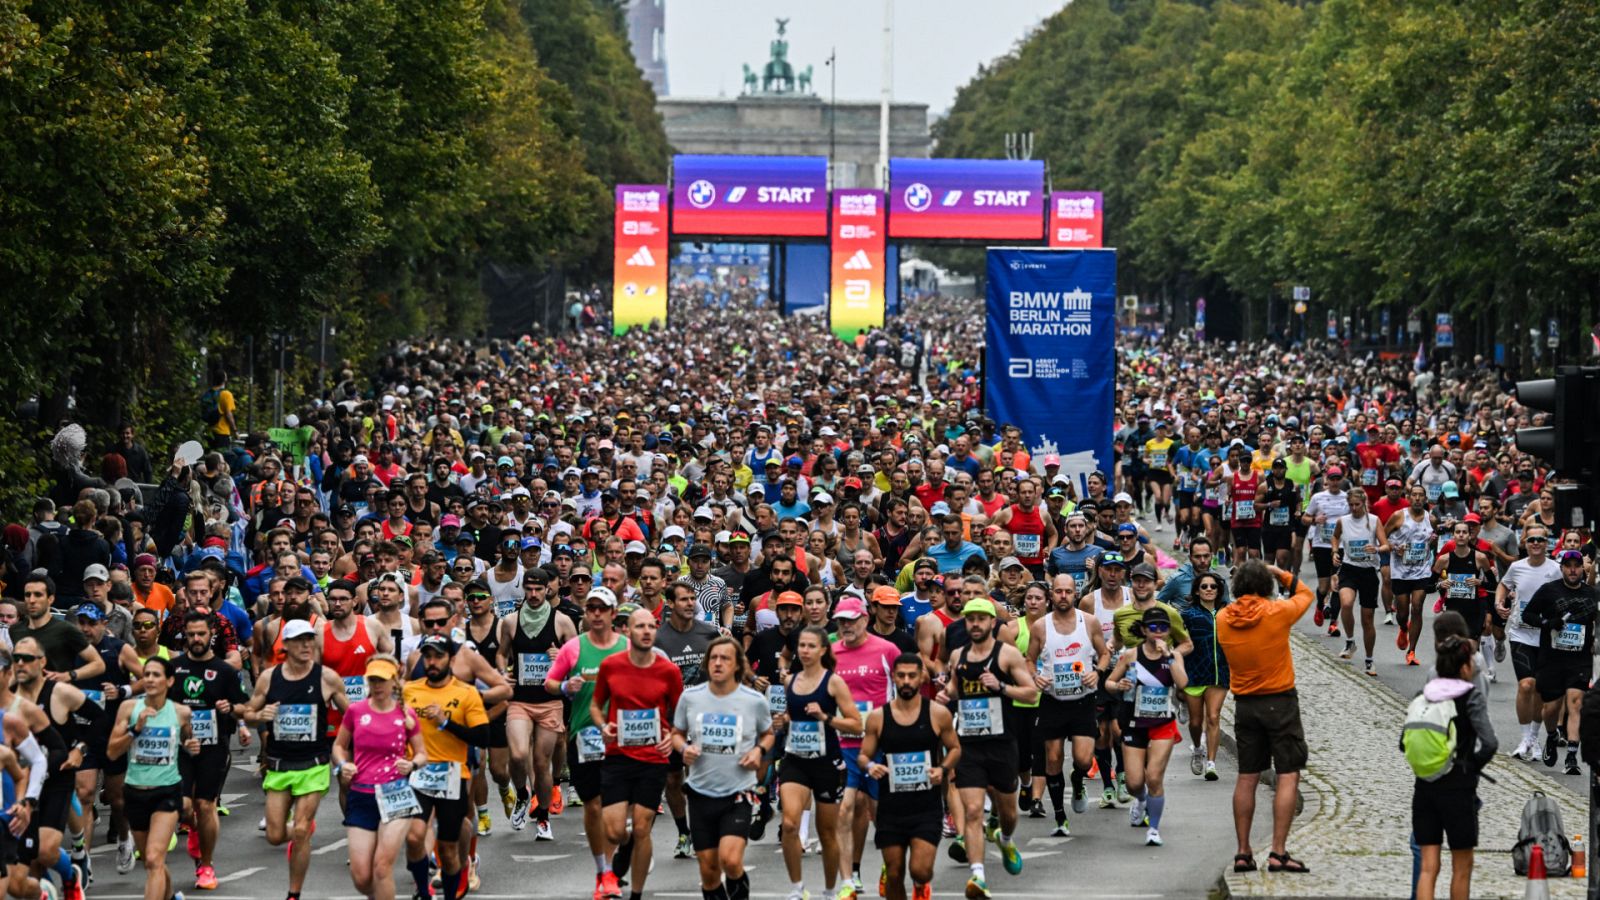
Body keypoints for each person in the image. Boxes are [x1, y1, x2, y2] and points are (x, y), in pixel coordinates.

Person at [239, 618, 351, 900]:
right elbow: (248, 714)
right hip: (279, 766)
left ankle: (293, 894)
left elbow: (351, 717)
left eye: (309, 639)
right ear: (285, 645)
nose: (306, 645)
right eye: (299, 640)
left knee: (300, 832)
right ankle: (300, 829)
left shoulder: (327, 677)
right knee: (275, 835)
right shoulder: (269, 678)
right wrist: (259, 716)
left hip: (314, 766)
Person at [1217, 560, 1314, 875]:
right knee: (1288, 773)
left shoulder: (1222, 618)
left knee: (1247, 776)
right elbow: (1306, 593)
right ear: (1266, 585)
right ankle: (1278, 852)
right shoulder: (1277, 612)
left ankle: (1243, 852)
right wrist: (1279, 572)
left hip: (1245, 705)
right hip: (1280, 702)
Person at [942, 597, 1036, 898]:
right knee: (972, 811)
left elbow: (1031, 693)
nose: (975, 624)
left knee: (1008, 813)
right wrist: (946, 695)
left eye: (981, 619)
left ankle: (1005, 840)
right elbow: (954, 688)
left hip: (1001, 743)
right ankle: (978, 876)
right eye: (970, 619)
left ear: (992, 622)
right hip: (968, 744)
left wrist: (1001, 687)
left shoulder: (1006, 654)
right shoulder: (958, 655)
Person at [591, 607, 684, 900]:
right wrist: (603, 725)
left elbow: (682, 712)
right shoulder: (611, 666)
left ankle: (636, 894)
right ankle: (625, 843)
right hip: (617, 756)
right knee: (614, 831)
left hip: (653, 759)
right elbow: (596, 705)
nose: (646, 631)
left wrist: (672, 736)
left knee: (643, 827)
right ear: (627, 631)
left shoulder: (668, 670)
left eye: (651, 626)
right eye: (640, 626)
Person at [670, 637, 773, 900]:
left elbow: (768, 734)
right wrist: (684, 749)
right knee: (709, 870)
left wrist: (758, 751)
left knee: (731, 860)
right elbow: (676, 733)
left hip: (738, 793)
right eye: (713, 658)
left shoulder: (753, 701)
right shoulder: (690, 697)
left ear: (737, 665)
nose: (718, 663)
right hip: (700, 793)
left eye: (725, 658)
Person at [545, 586, 629, 900]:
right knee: (594, 807)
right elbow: (550, 682)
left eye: (601, 608)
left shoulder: (626, 647)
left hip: (623, 737)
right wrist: (566, 686)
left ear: (612, 613)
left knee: (616, 814)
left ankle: (619, 851)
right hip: (585, 735)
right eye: (591, 608)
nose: (595, 613)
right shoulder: (574, 648)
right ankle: (603, 872)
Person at [858, 653, 960, 900]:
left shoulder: (937, 713)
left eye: (912, 676)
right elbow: (863, 756)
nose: (906, 681)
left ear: (921, 677)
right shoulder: (878, 717)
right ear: (893, 677)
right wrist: (870, 766)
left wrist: (943, 769)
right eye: (901, 676)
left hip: (926, 807)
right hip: (891, 808)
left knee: (920, 870)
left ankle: (921, 885)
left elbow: (955, 749)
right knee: (893, 874)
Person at [1407, 635, 1495, 900]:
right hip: (1458, 788)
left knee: (1428, 867)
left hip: (1425, 785)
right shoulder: (1470, 696)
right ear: (1465, 667)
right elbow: (1490, 743)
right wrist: (1471, 766)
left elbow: (1405, 741)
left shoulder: (1424, 695)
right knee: (1462, 868)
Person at [775, 625, 861, 900]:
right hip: (795, 760)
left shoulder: (833, 682)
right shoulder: (790, 681)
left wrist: (825, 717)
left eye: (811, 646)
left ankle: (829, 890)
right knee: (790, 824)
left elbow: (856, 724)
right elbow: (791, 715)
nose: (805, 650)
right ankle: (797, 888)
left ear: (823, 650)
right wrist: (783, 721)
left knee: (827, 832)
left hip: (826, 763)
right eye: (802, 645)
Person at [401, 633, 488, 900]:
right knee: (414, 837)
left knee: (448, 851)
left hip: (452, 776)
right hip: (417, 774)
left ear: (450, 659)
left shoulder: (466, 693)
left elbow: (482, 736)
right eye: (427, 656)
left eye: (438, 656)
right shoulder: (409, 690)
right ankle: (423, 892)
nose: (432, 662)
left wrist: (445, 722)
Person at [106, 656, 201, 900]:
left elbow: (187, 739)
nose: (149, 679)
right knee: (153, 864)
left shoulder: (181, 712)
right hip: (135, 792)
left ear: (169, 681)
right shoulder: (129, 709)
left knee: (153, 858)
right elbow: (112, 751)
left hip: (166, 791)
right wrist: (135, 729)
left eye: (156, 675)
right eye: (146, 674)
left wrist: (191, 745)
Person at [169, 611, 251, 890]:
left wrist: (232, 709)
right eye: (191, 634)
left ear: (211, 634)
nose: (196, 639)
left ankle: (206, 865)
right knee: (183, 808)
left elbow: (244, 707)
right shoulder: (174, 668)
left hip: (213, 747)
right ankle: (194, 827)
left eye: (201, 634)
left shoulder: (224, 671)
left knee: (206, 805)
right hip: (180, 748)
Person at [334, 654, 426, 900]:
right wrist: (343, 765)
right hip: (361, 795)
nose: (377, 685)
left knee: (382, 867)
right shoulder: (355, 711)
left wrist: (412, 764)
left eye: (382, 680)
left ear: (394, 681)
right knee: (362, 877)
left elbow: (422, 754)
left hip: (396, 793)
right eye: (372, 680)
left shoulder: (405, 715)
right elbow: (339, 746)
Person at [1025, 573, 1108, 837]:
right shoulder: (1041, 626)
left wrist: (1097, 672)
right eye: (1058, 591)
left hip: (1083, 700)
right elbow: (1029, 659)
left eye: (1068, 591)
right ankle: (1060, 817)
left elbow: (1105, 653)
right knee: (1052, 759)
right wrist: (1035, 676)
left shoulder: (1089, 622)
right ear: (1052, 594)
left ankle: (1077, 778)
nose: (1063, 596)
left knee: (1083, 759)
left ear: (1075, 594)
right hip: (1053, 701)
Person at [497, 567, 575, 841]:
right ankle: (521, 793)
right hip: (520, 699)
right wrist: (502, 673)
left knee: (542, 764)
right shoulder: (510, 621)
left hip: (550, 701)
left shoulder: (562, 621)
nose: (533, 594)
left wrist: (561, 656)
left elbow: (576, 658)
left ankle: (543, 817)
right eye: (528, 589)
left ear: (547, 589)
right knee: (518, 755)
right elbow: (501, 653)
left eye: (538, 589)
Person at [830, 597, 899, 896]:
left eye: (851, 620)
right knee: (846, 808)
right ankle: (850, 878)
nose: (846, 626)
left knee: (878, 811)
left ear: (865, 620)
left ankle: (888, 864)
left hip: (878, 744)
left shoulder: (887, 650)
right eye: (841, 621)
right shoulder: (830, 653)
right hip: (842, 743)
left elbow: (906, 686)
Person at [1104, 607, 1188, 846]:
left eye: (1163, 627)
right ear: (1144, 630)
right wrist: (1118, 685)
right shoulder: (1131, 655)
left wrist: (1168, 656)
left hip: (1163, 723)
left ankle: (1153, 829)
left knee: (1154, 777)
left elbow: (1183, 683)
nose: (1158, 631)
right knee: (1134, 783)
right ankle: (1141, 800)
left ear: (1169, 631)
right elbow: (1109, 683)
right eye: (1153, 627)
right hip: (1134, 723)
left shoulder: (1174, 656)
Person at [1522, 549, 1600, 775]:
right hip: (1552, 658)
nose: (1573, 570)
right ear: (1562, 568)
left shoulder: (1592, 594)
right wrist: (1547, 623)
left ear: (1582, 569)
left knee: (1576, 702)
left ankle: (1572, 757)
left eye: (1577, 566)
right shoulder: (1549, 590)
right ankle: (1552, 734)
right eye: (1569, 566)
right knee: (1551, 708)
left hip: (1580, 659)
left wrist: (1595, 640)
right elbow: (1527, 615)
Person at [1496, 525, 1562, 761]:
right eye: (1531, 539)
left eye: (1540, 539)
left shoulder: (1556, 569)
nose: (1535, 543)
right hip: (1521, 634)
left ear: (1546, 543)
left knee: (1540, 689)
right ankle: (1525, 739)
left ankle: (1534, 738)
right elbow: (1504, 584)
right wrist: (1499, 603)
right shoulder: (1517, 567)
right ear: (1524, 543)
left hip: (1546, 637)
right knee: (1526, 685)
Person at [1330, 486, 1389, 676]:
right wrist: (1334, 552)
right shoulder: (1343, 521)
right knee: (1346, 603)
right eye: (1351, 505)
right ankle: (1350, 641)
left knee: (1367, 619)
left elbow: (1386, 545)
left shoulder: (1373, 521)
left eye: (1357, 504)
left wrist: (1376, 549)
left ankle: (1369, 660)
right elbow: (1335, 537)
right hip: (1349, 569)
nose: (1354, 508)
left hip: (1368, 572)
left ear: (1364, 503)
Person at [1178, 570, 1228, 780]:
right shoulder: (1188, 615)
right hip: (1194, 673)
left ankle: (1211, 763)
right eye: (1204, 586)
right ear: (1197, 591)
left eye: (1213, 586)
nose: (1209, 590)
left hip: (1219, 674)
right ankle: (1198, 747)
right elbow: (1178, 642)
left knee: (1214, 717)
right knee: (1196, 722)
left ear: (1219, 590)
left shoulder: (1227, 614)